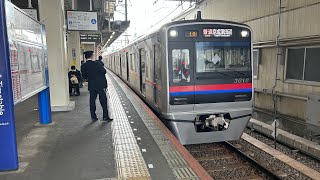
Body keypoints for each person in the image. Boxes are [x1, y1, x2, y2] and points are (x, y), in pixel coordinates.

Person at [81, 51, 112, 122]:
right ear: (92, 56)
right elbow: (104, 71)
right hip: (100, 85)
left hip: (91, 86)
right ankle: (105, 117)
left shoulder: (83, 66)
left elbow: (84, 76)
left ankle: (93, 117)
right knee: (103, 101)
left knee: (92, 101)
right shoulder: (97, 63)